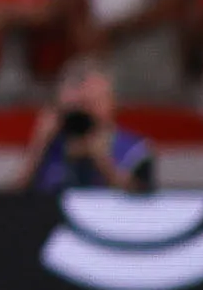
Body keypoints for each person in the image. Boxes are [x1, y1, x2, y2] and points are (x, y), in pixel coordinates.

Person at [15, 60, 156, 193]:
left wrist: (104, 163)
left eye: (92, 103)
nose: (85, 114)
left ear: (112, 103)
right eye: (78, 105)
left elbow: (143, 205)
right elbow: (9, 203)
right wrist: (38, 147)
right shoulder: (48, 146)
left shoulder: (134, 151)